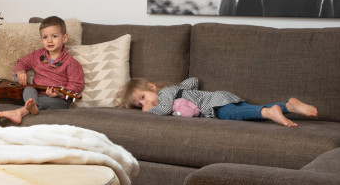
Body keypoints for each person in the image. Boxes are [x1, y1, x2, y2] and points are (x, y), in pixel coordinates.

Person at [118, 76, 318, 127]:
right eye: (139, 105)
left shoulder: (166, 94)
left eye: (143, 98)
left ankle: (269, 113)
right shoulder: (177, 89)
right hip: (221, 97)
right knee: (244, 110)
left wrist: (148, 111)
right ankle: (288, 105)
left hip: (214, 105)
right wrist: (185, 90)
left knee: (231, 115)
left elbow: (163, 110)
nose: (145, 104)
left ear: (152, 87)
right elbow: (193, 80)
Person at [0, 16, 84, 125]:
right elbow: (22, 63)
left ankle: (22, 111)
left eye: (54, 36)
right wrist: (20, 72)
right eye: (45, 37)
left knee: (51, 102)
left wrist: (58, 93)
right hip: (36, 93)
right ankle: (32, 106)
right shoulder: (37, 55)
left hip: (57, 100)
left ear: (64, 38)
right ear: (41, 39)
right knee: (28, 89)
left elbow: (77, 85)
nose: (49, 40)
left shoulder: (72, 63)